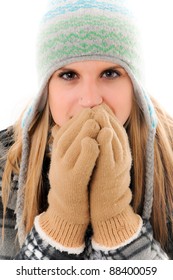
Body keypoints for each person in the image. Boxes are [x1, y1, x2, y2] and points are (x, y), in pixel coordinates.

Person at [0, 0, 173, 260]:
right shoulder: (6, 164)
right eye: (69, 75)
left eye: (111, 74)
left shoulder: (169, 158)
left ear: (135, 84)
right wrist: (61, 223)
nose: (90, 99)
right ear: (46, 88)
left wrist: (116, 223)